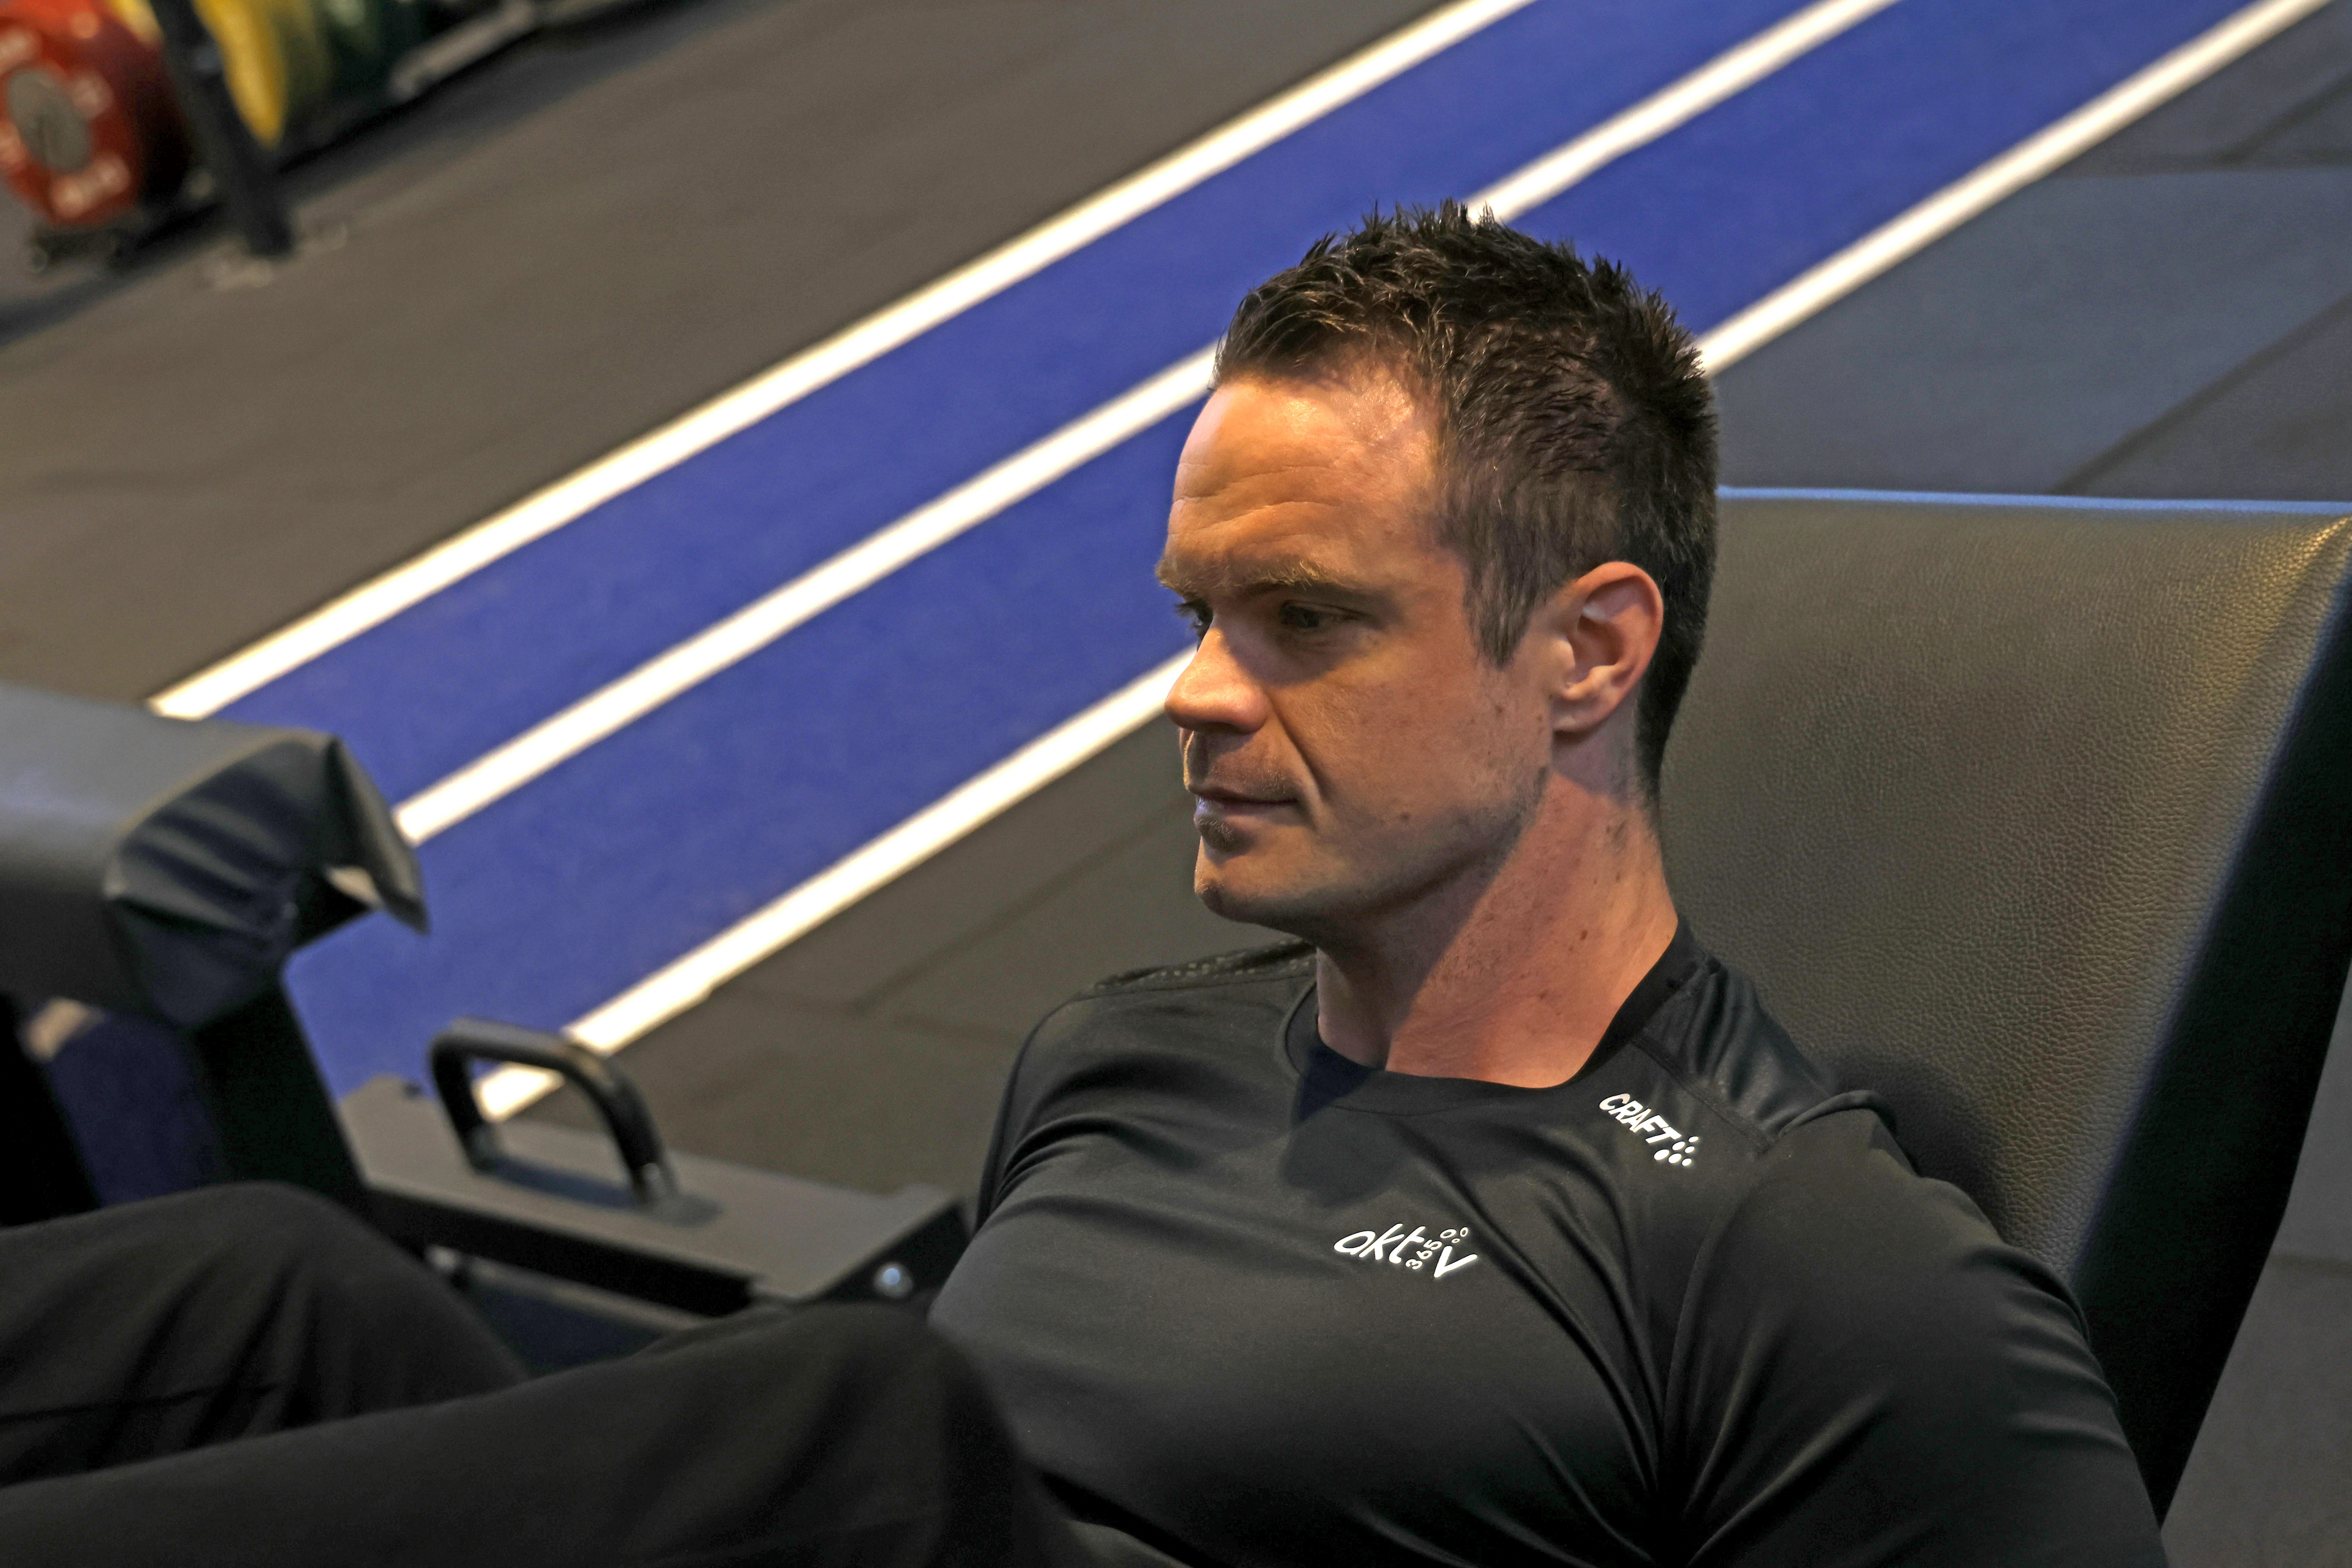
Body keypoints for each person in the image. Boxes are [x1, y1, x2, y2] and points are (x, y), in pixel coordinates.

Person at [0, 206, 2165, 1566]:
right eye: (1195, 616)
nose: (1196, 695)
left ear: (1589, 651)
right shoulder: (1120, 1059)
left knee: (860, 1426)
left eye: (1304, 620)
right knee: (270, 1292)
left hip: (880, 1498)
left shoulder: (1799, 1246)